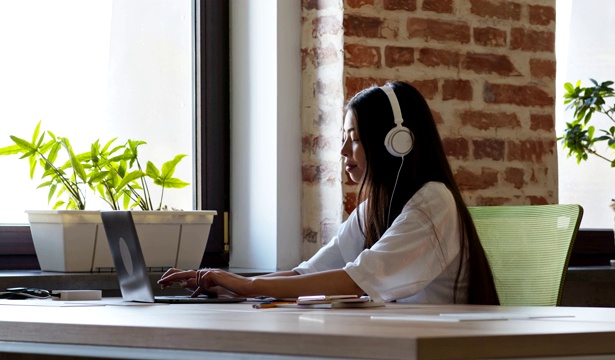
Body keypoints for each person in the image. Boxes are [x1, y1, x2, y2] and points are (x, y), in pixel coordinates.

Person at [158, 81, 500, 304]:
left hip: (438, 348)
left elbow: (358, 279)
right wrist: (232, 286)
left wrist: (250, 287)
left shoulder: (433, 201)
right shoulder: (374, 210)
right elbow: (306, 275)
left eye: (353, 138)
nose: (343, 150)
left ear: (397, 142)